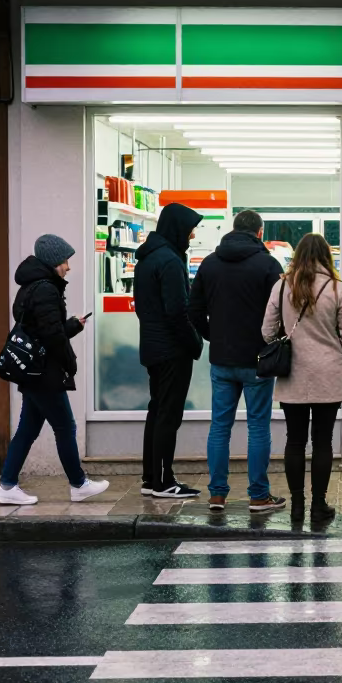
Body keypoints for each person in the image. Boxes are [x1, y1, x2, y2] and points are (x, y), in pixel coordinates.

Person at [0, 235, 110, 505]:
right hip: (44, 373)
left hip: (33, 371)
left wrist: (71, 325)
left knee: (27, 430)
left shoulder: (31, 286)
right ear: (53, 261)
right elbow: (51, 336)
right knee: (65, 426)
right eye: (65, 261)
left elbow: (43, 329)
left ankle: (7, 486)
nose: (68, 267)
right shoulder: (46, 289)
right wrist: (70, 362)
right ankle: (78, 484)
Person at [189, 209, 285, 515]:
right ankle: (259, 496)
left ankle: (217, 495)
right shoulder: (268, 265)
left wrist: (212, 335)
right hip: (258, 358)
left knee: (220, 426)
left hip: (222, 358)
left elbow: (193, 310)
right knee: (258, 427)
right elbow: (281, 310)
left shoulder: (209, 263)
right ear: (259, 233)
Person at [262, 233, 342, 523]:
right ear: (326, 256)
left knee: (295, 441)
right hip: (327, 373)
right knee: (323, 442)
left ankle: (296, 505)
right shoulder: (337, 288)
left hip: (293, 374)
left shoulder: (281, 287)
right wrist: (331, 351)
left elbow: (267, 332)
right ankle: (318, 505)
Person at [134, 202, 204, 500]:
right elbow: (178, 311)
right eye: (189, 231)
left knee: (156, 411)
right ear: (177, 228)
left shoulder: (147, 259)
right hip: (172, 350)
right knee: (168, 416)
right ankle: (164, 481)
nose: (191, 237)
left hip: (152, 347)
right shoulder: (170, 261)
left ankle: (151, 478)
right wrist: (195, 342)